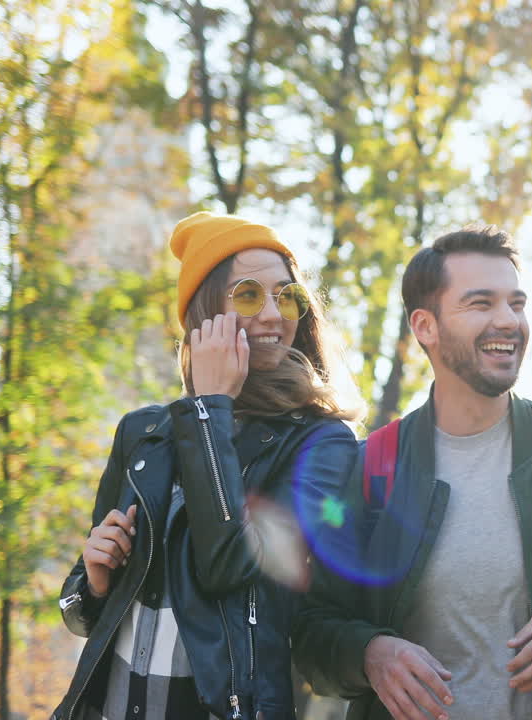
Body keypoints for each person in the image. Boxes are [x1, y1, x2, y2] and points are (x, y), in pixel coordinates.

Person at [292, 224, 532, 720]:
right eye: (481, 303)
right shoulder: (368, 469)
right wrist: (370, 653)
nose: (508, 320)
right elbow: (312, 626)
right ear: (426, 326)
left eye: (516, 303)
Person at [52, 211, 363, 720]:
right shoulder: (143, 434)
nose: (272, 313)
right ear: (203, 316)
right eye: (247, 295)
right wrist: (95, 580)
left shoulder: (323, 443)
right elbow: (84, 613)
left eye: (288, 295)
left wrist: (209, 408)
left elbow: (230, 570)